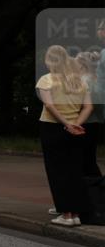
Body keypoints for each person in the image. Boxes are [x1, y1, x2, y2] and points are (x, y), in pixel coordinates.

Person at [36, 46, 92, 226]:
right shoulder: (79, 82)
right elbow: (89, 107)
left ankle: (66, 215)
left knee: (57, 171)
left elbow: (50, 106)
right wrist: (76, 123)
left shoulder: (46, 80)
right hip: (77, 130)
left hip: (52, 128)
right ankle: (75, 214)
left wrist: (66, 124)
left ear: (49, 61)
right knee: (74, 170)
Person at [76, 51, 103, 178]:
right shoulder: (95, 79)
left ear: (81, 64)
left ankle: (96, 190)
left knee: (85, 160)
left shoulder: (84, 80)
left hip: (85, 123)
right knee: (88, 158)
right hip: (93, 122)